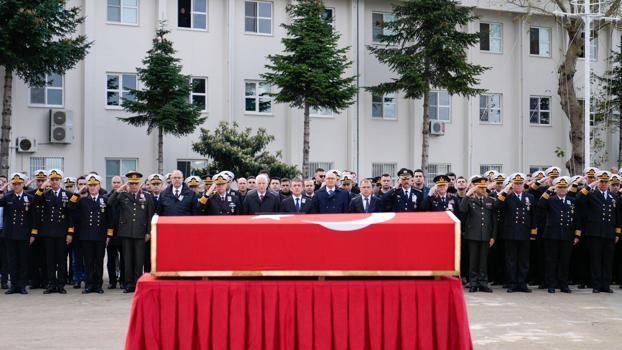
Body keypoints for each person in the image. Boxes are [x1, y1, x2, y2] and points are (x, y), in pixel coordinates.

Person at [107, 171, 155, 293]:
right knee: (127, 260)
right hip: (126, 233)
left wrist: (148, 232)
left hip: (140, 233)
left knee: (139, 260)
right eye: (131, 183)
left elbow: (150, 216)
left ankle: (138, 283)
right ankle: (129, 284)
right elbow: (109, 203)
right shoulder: (123, 195)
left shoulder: (147, 196)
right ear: (128, 184)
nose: (134, 186)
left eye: (136, 183)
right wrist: (120, 189)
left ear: (139, 184)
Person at [67, 174, 113, 294]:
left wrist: (109, 235)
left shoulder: (105, 200)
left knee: (98, 261)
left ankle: (98, 285)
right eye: (90, 185)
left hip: (100, 236)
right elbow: (70, 207)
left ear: (99, 186)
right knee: (88, 261)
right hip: (86, 236)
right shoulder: (82, 200)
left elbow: (110, 219)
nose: (92, 188)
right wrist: (77, 193)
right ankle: (89, 284)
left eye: (95, 185)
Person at [575, 171, 620, 293]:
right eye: (601, 181)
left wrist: (617, 233)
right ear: (598, 182)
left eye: (606, 182)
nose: (604, 184)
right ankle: (596, 285)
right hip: (594, 233)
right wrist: (589, 186)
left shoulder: (613, 196)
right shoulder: (591, 194)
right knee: (595, 260)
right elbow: (578, 200)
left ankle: (606, 285)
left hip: (609, 233)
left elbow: (618, 216)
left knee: (608, 260)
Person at [495, 173, 537, 293]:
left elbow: (534, 215)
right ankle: (512, 283)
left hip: (524, 232)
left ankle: (522, 283)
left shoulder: (530, 197)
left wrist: (533, 232)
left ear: (523, 184)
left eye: (520, 183)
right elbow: (497, 206)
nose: (518, 186)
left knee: (524, 260)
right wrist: (505, 191)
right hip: (510, 233)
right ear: (512, 185)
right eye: (516, 184)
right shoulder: (507, 197)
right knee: (511, 260)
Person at [538, 176, 580, 293]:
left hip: (567, 235)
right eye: (560, 187)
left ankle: (563, 285)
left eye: (564, 187)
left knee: (565, 261)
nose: (562, 189)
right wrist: (548, 190)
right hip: (552, 235)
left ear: (567, 189)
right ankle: (551, 284)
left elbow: (577, 218)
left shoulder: (572, 200)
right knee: (552, 261)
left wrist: (577, 235)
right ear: (556, 188)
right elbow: (540, 204)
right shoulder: (550, 199)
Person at [32, 169, 71, 294]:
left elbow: (70, 215)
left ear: (60, 181)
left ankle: (60, 284)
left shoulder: (67, 195)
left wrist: (70, 233)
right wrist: (43, 186)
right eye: (52, 179)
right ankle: (51, 283)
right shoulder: (45, 194)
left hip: (61, 232)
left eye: (57, 179)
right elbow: (35, 201)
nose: (54, 182)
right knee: (49, 260)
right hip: (48, 232)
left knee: (61, 260)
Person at [0, 173, 37, 294]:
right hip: (10, 234)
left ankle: (22, 285)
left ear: (23, 184)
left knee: (23, 260)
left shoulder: (29, 198)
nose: (16, 186)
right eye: (14, 184)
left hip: (24, 234)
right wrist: (1, 189)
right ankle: (14, 285)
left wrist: (33, 234)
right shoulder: (7, 197)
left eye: (19, 184)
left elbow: (33, 218)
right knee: (12, 260)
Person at [460, 176, 497, 293]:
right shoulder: (470, 201)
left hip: (486, 235)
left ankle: (483, 282)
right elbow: (462, 209)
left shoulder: (490, 200)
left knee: (483, 260)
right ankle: (473, 283)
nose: (483, 190)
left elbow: (494, 220)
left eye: (484, 187)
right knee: (473, 260)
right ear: (475, 188)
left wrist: (493, 236)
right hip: (472, 235)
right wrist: (467, 194)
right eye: (480, 187)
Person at [105, 175, 124, 289]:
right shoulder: (107, 196)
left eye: (118, 182)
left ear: (122, 183)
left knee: (124, 259)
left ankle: (122, 281)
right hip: (111, 232)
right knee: (111, 259)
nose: (116, 184)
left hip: (122, 231)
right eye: (114, 182)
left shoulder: (126, 196)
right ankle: (112, 281)